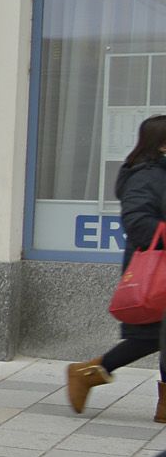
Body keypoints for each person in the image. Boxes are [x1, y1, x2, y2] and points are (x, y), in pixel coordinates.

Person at [68, 114, 166, 418]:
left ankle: (88, 373)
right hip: (156, 268)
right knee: (150, 336)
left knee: (149, 337)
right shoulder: (145, 176)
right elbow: (138, 223)